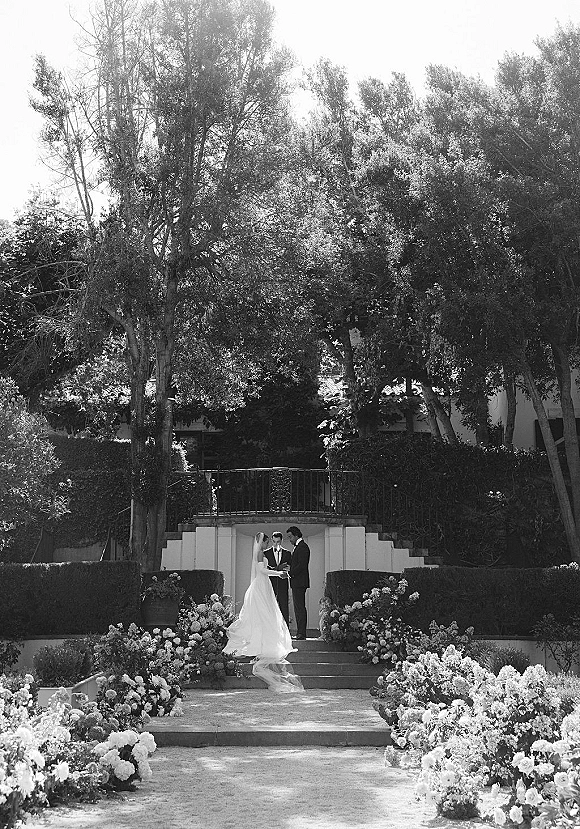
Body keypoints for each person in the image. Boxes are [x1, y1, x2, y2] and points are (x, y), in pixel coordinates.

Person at [223, 532, 303, 692]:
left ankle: (263, 638)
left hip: (263, 585)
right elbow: (263, 571)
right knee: (263, 613)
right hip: (261, 585)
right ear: (264, 542)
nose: (267, 545)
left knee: (265, 614)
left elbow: (265, 569)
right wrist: (278, 573)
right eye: (267, 542)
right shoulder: (260, 553)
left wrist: (275, 571)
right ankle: (261, 641)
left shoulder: (260, 553)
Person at [286, 526, 310, 640]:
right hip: (297, 582)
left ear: (296, 535)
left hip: (300, 582)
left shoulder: (303, 547)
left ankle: (301, 633)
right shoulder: (298, 547)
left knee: (300, 607)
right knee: (298, 607)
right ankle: (300, 632)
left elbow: (301, 565)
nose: (289, 539)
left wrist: (290, 573)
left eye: (290, 537)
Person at [262, 531, 291, 625]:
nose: (276, 544)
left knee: (284, 607)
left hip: (283, 583)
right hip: (270, 584)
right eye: (274, 542)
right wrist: (278, 569)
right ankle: (269, 629)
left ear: (281, 541)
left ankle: (286, 631)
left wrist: (286, 571)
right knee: (269, 607)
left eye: (278, 542)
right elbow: (264, 570)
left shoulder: (287, 553)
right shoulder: (265, 553)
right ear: (271, 541)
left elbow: (290, 568)